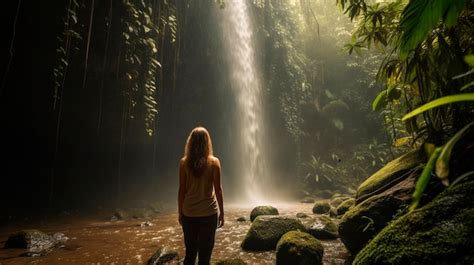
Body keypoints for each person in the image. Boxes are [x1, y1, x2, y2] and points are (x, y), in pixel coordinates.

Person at [178, 127, 224, 265]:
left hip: (189, 213)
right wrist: (222, 212)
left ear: (190, 142)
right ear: (207, 142)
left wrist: (180, 212)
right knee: (205, 257)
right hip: (209, 213)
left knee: (190, 254)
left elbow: (182, 190)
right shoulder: (214, 162)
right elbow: (218, 190)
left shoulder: (183, 163)